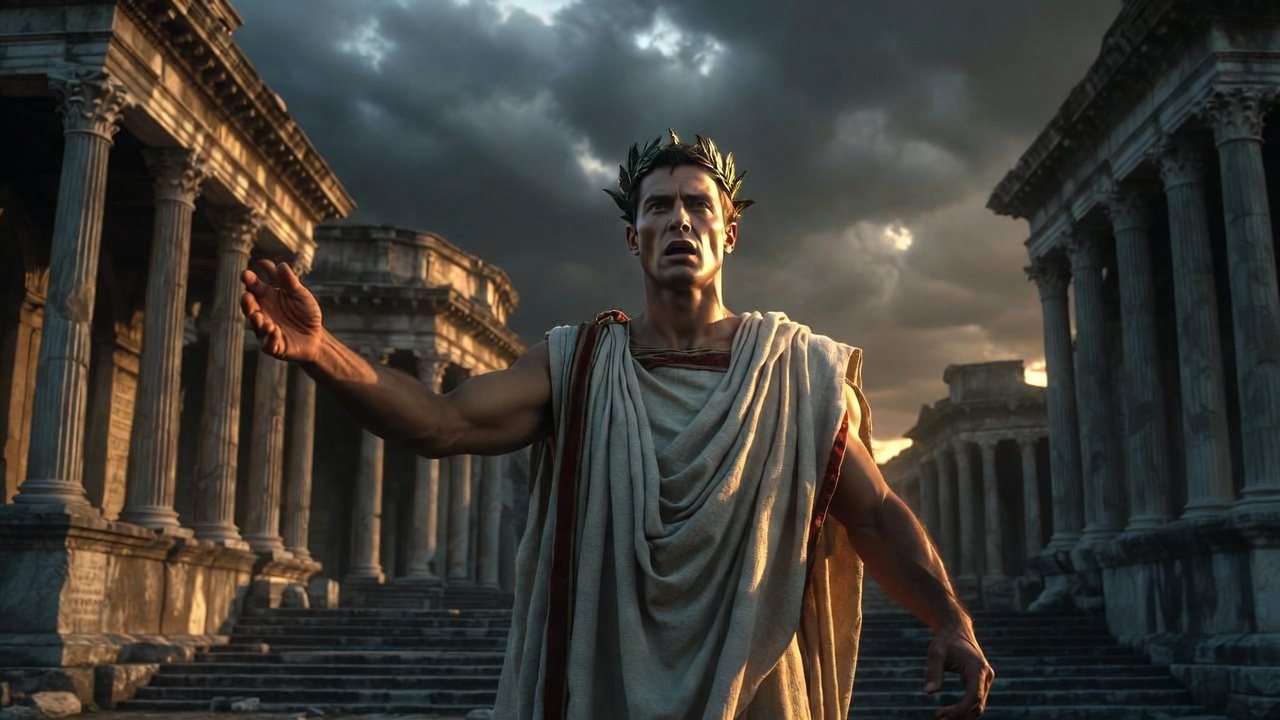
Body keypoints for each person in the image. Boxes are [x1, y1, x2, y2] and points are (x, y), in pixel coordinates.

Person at [240, 130, 994, 720]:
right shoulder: (576, 364)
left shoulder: (799, 372)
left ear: (730, 232)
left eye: (698, 205)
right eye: (658, 206)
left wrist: (949, 617)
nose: (679, 220)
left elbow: (877, 515)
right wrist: (321, 350)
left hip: (752, 695)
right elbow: (440, 424)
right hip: (602, 695)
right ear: (634, 238)